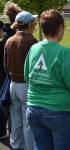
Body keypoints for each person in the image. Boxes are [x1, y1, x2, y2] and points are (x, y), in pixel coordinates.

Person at [24, 9, 70, 150]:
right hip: (60, 112)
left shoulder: (34, 48)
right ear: (60, 28)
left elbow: (27, 77)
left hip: (34, 110)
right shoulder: (65, 53)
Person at [4, 11, 37, 150]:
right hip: (26, 85)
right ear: (29, 24)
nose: (35, 25)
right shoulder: (31, 41)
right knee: (28, 122)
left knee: (16, 119)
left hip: (13, 84)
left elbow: (5, 65)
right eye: (33, 22)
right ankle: (29, 147)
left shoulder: (9, 40)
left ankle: (16, 146)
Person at [0, 2, 21, 140]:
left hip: (4, 72)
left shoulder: (7, 33)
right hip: (11, 75)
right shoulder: (16, 34)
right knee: (10, 106)